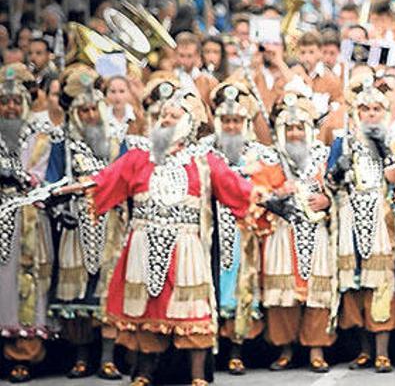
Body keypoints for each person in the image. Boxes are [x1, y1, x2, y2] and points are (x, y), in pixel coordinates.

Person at [56, 89, 254, 386]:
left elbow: (238, 189)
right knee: (148, 309)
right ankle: (144, 374)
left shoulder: (203, 160)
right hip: (143, 242)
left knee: (192, 310)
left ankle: (198, 377)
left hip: (186, 245)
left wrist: (270, 198)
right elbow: (106, 179)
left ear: (188, 124)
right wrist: (63, 192)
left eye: (174, 116)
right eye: (163, 116)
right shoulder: (139, 157)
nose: (166, 120)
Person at [43, 64, 127, 380]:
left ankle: (107, 358)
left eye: (95, 109)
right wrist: (60, 200)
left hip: (112, 224)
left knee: (107, 290)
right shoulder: (61, 144)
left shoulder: (118, 142)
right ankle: (80, 357)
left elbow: (129, 178)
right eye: (84, 110)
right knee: (78, 292)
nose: (90, 115)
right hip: (75, 223)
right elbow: (51, 182)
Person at [327, 73, 395, 373]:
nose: (371, 115)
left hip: (380, 219)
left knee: (380, 282)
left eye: (376, 110)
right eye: (365, 110)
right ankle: (363, 349)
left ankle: (383, 352)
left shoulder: (394, 142)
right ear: (356, 113)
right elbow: (329, 184)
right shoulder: (343, 143)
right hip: (349, 216)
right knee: (356, 282)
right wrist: (338, 171)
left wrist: (390, 166)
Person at [258, 86, 337, 374]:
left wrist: (327, 200)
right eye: (289, 128)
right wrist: (278, 192)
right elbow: (258, 192)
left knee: (317, 291)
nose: (294, 134)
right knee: (284, 294)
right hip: (283, 231)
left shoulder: (324, 156)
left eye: (300, 127)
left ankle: (317, 349)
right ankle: (285, 349)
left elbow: (339, 191)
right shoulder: (271, 158)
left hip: (316, 232)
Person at [201, 81, 268, 375]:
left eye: (237, 121)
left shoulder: (258, 153)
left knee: (241, 286)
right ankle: (210, 349)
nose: (231, 126)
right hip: (210, 231)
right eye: (226, 120)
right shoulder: (203, 151)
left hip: (244, 231)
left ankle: (237, 351)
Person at [0, 65, 52, 384]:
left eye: (16, 101)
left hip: (30, 218)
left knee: (25, 284)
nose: (10, 108)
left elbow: (43, 178)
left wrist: (17, 176)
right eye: (4, 102)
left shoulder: (42, 135)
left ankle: (24, 352)